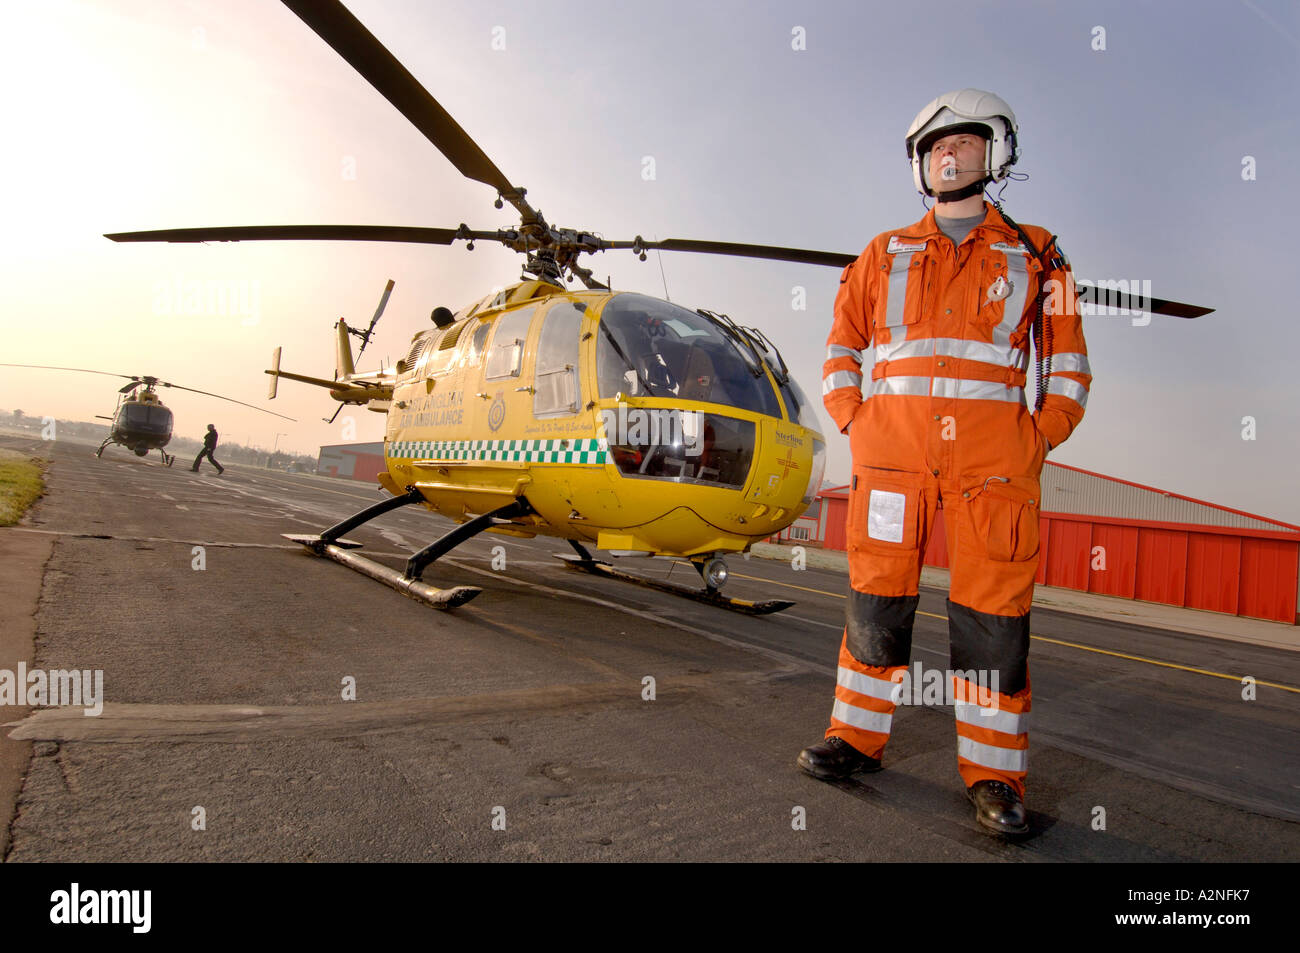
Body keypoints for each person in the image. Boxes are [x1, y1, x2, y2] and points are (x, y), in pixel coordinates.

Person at [798, 89, 1091, 836]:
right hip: (891, 464)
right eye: (932, 148)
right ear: (921, 166)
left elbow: (1067, 367)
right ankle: (855, 739)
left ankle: (994, 774)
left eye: (961, 143)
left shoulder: (1038, 253)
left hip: (993, 472)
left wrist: (1037, 437)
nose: (946, 156)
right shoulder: (882, 252)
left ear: (995, 154)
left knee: (993, 622)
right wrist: (855, 420)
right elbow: (841, 348)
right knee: (874, 602)